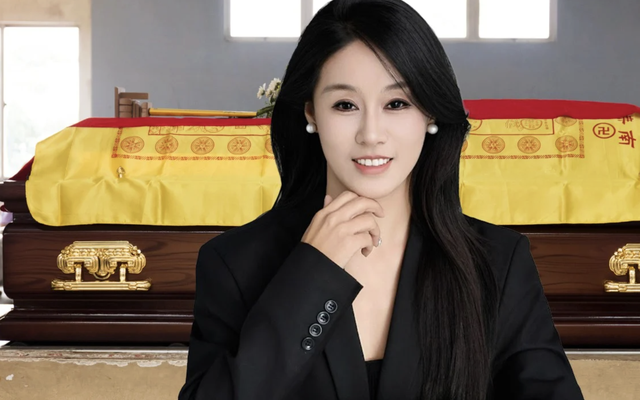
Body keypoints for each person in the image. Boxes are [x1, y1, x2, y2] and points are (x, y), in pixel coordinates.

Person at [178, 0, 584, 399]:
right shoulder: (234, 263)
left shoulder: (498, 262)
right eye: (345, 105)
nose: (371, 134)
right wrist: (311, 274)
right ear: (311, 113)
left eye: (396, 104)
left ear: (429, 114)